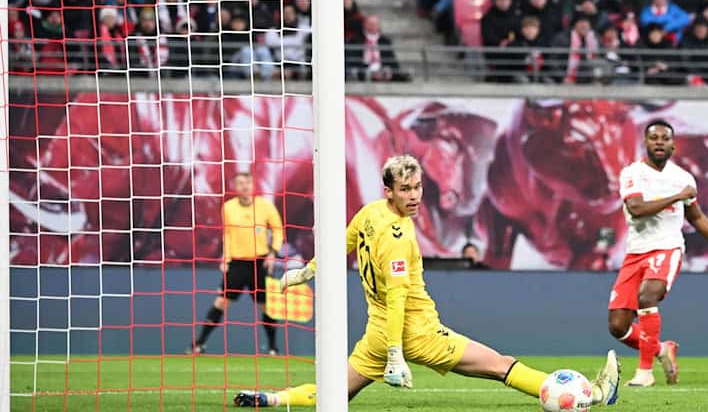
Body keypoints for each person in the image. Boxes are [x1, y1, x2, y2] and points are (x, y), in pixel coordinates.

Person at [266, 156, 622, 405]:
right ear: (388, 190)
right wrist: (395, 355)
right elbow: (397, 299)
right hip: (417, 333)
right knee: (501, 365)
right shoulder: (398, 238)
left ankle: (271, 398)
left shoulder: (368, 213)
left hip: (378, 332)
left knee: (335, 395)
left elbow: (339, 246)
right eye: (405, 189)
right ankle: (592, 394)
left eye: (418, 187)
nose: (415, 195)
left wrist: (306, 271)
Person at [609, 121, 708, 387]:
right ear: (646, 143)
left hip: (667, 247)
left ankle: (645, 373)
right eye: (654, 138)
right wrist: (677, 197)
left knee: (647, 295)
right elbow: (637, 208)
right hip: (635, 252)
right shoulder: (632, 173)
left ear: (674, 145)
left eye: (665, 138)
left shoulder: (684, 178)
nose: (660, 142)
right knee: (618, 326)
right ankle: (662, 349)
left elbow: (697, 219)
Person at [190, 172, 284, 356]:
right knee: (220, 302)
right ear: (235, 187)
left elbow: (278, 230)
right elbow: (227, 234)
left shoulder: (265, 206)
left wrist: (273, 253)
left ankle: (273, 348)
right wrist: (225, 258)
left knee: (266, 305)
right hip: (237, 264)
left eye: (247, 183)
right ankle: (199, 344)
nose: (244, 187)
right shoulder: (228, 207)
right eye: (240, 183)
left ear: (252, 185)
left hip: (260, 263)